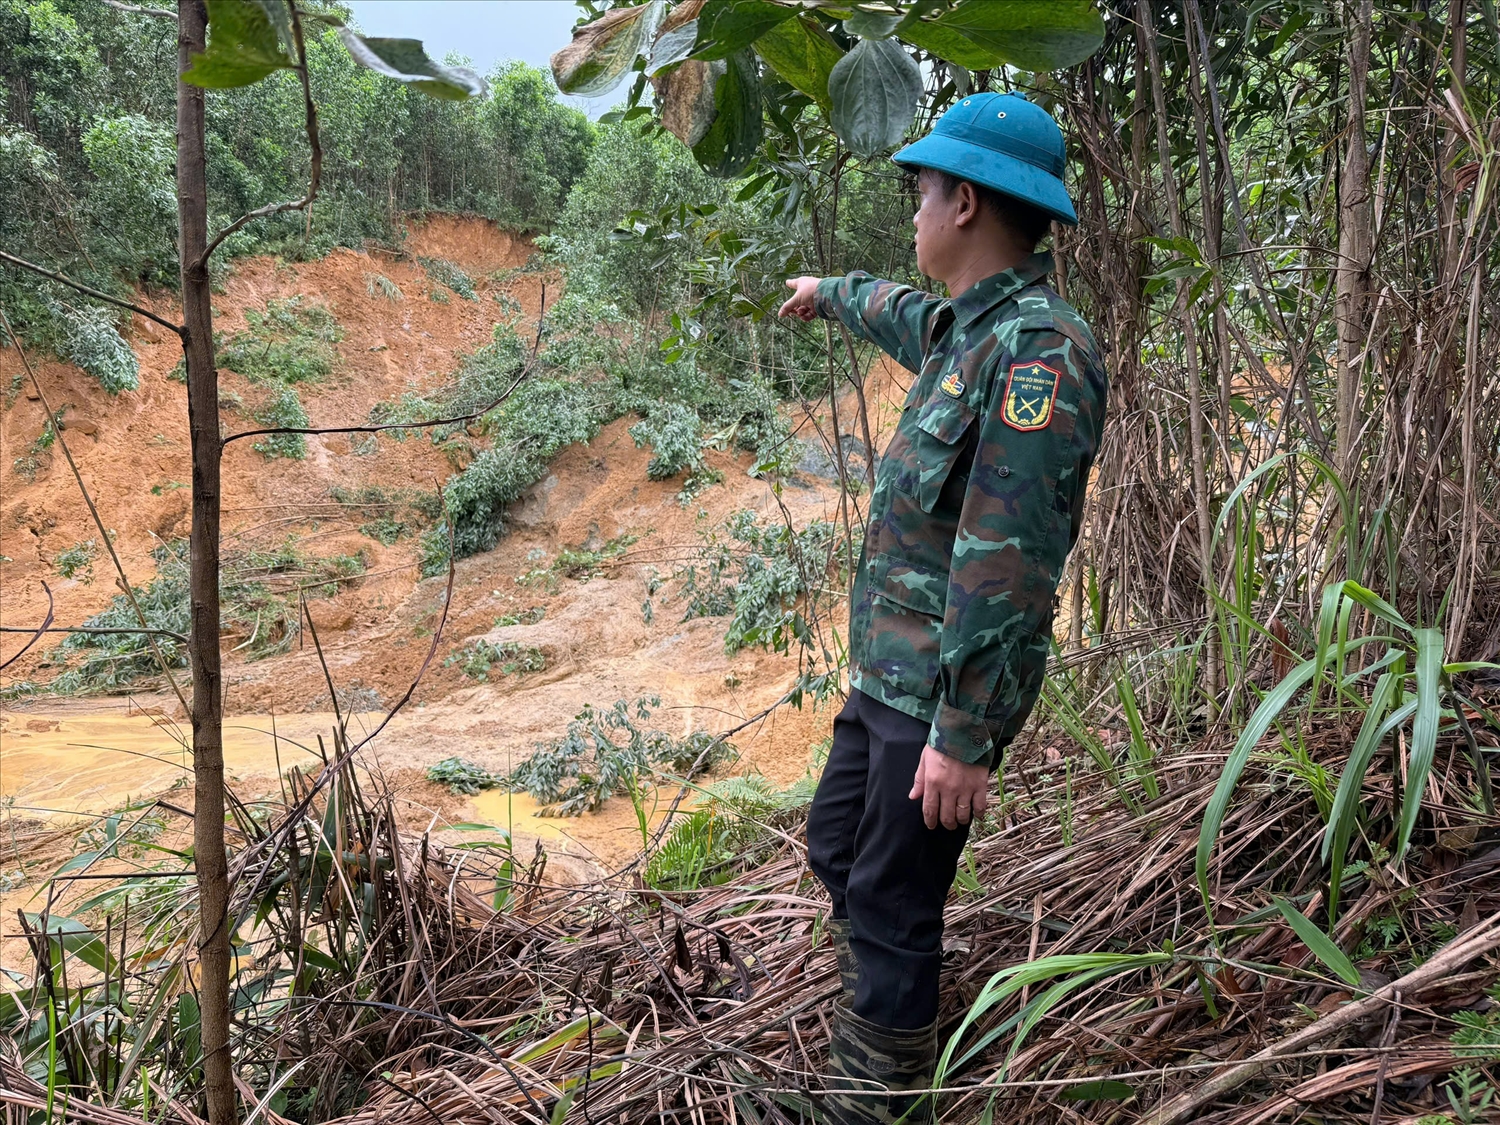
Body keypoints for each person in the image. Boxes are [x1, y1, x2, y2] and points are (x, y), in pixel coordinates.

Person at [778, 92, 1109, 1125]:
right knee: (838, 851)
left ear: (963, 202)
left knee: (889, 896)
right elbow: (896, 308)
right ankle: (895, 1012)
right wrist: (826, 290)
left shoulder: (1038, 354)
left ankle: (876, 1098)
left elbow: (1009, 564)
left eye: (920, 193)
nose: (911, 213)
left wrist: (965, 734)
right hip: (888, 674)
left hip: (937, 697)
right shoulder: (966, 329)